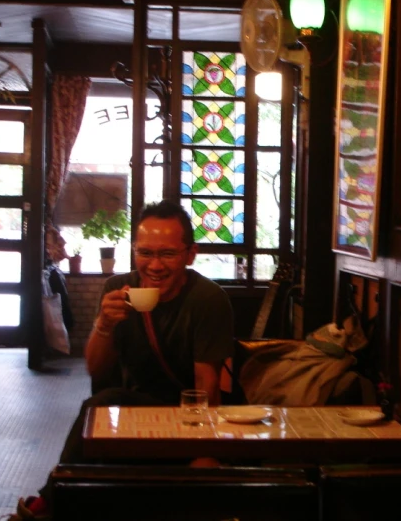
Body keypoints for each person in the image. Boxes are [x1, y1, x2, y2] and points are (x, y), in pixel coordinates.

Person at [13, 200, 235, 520]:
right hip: (133, 412)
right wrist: (104, 326)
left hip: (189, 418)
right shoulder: (118, 288)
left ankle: (46, 505)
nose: (155, 266)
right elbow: (95, 368)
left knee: (103, 403)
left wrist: (205, 451)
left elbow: (207, 383)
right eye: (145, 253)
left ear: (190, 254)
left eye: (167, 254)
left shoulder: (208, 299)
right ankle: (59, 502)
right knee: (103, 408)